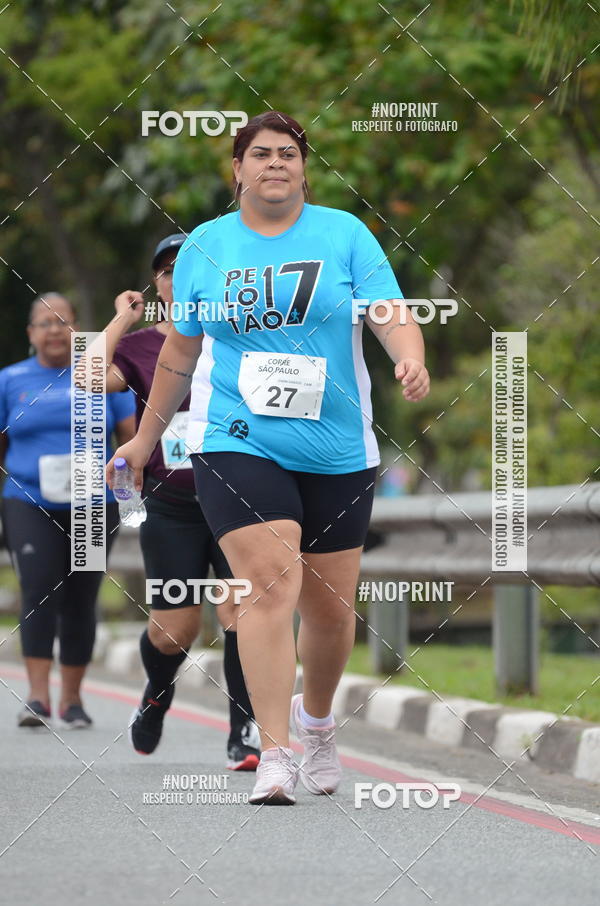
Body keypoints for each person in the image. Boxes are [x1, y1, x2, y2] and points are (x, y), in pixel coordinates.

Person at [107, 111, 430, 804]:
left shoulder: (344, 233)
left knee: (329, 609)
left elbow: (389, 311)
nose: (275, 164)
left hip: (338, 446)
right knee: (266, 584)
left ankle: (316, 723)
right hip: (234, 439)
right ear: (238, 169)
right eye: (260, 154)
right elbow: (180, 353)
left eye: (288, 153)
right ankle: (274, 749)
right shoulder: (205, 249)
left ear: (304, 168)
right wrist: (142, 438)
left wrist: (409, 359)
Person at [96, 237, 259, 770]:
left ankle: (245, 733)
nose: (178, 276)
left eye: (192, 267)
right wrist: (122, 318)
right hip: (172, 506)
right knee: (175, 631)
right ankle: (156, 694)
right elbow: (87, 378)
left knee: (241, 612)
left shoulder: (240, 335)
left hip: (239, 496)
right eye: (167, 270)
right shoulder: (143, 347)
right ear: (158, 284)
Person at [0, 293, 135, 728]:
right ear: (30, 333)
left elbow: (130, 444)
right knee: (38, 590)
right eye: (44, 322)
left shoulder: (107, 377)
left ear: (80, 330)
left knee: (81, 597)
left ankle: (73, 700)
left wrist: (132, 505)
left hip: (95, 503)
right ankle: (37, 698)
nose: (55, 329)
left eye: (64, 321)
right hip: (29, 501)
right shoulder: (10, 380)